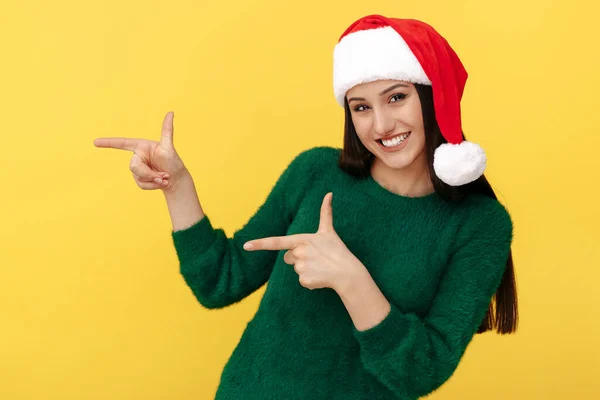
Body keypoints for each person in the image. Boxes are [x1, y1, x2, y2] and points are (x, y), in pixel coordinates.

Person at [94, 14, 518, 400]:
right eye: (361, 107)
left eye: (396, 98)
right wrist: (177, 186)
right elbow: (219, 281)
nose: (381, 125)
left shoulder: (480, 225)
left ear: (432, 96)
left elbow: (421, 372)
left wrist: (351, 279)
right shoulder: (316, 172)